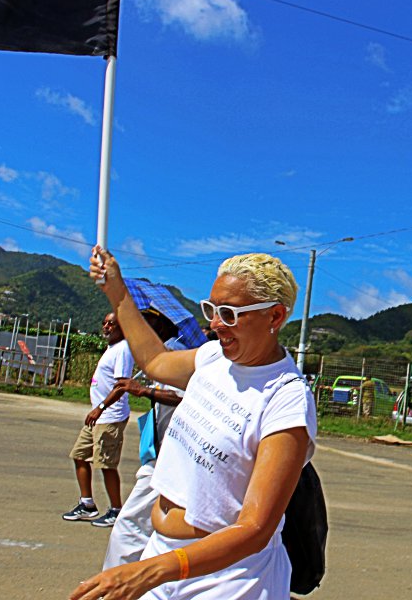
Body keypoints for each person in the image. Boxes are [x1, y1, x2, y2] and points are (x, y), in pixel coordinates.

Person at [71, 247, 316, 600]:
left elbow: (255, 528)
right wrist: (118, 292)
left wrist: (148, 571)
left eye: (230, 314)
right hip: (164, 556)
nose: (216, 324)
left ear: (274, 317)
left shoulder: (286, 398)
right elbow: (156, 360)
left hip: (227, 581)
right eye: (212, 309)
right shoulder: (215, 357)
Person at [103, 310, 188, 568]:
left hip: (169, 456)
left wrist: (144, 390)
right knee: (146, 526)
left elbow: (184, 396)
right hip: (162, 450)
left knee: (130, 525)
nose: (139, 327)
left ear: (161, 324)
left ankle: (114, 583)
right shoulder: (164, 354)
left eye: (147, 322)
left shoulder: (177, 355)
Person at [62, 312, 133, 528]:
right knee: (80, 455)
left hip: (109, 417)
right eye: (104, 323)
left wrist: (101, 407)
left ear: (123, 327)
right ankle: (87, 503)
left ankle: (116, 510)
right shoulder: (111, 348)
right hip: (98, 416)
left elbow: (122, 385)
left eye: (112, 324)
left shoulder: (123, 349)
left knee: (106, 464)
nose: (106, 327)